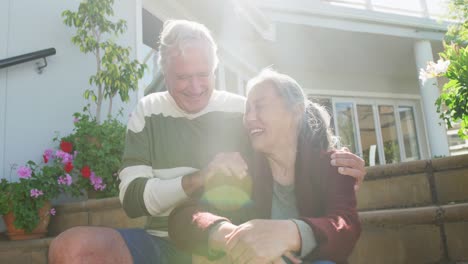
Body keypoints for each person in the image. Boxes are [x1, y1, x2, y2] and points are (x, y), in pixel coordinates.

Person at [48, 20, 365, 264]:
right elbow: (141, 202)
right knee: (69, 248)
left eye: (204, 74)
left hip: (252, 251)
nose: (195, 87)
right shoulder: (148, 110)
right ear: (165, 73)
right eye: (183, 77)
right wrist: (218, 214)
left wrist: (345, 175)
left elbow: (342, 220)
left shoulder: (244, 115)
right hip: (170, 240)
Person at [168, 69, 361, 264]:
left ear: (295, 111)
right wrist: (233, 238)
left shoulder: (332, 166)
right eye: (247, 110)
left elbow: (346, 227)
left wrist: (291, 233)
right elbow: (183, 216)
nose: (250, 118)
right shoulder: (239, 169)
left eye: (259, 107)